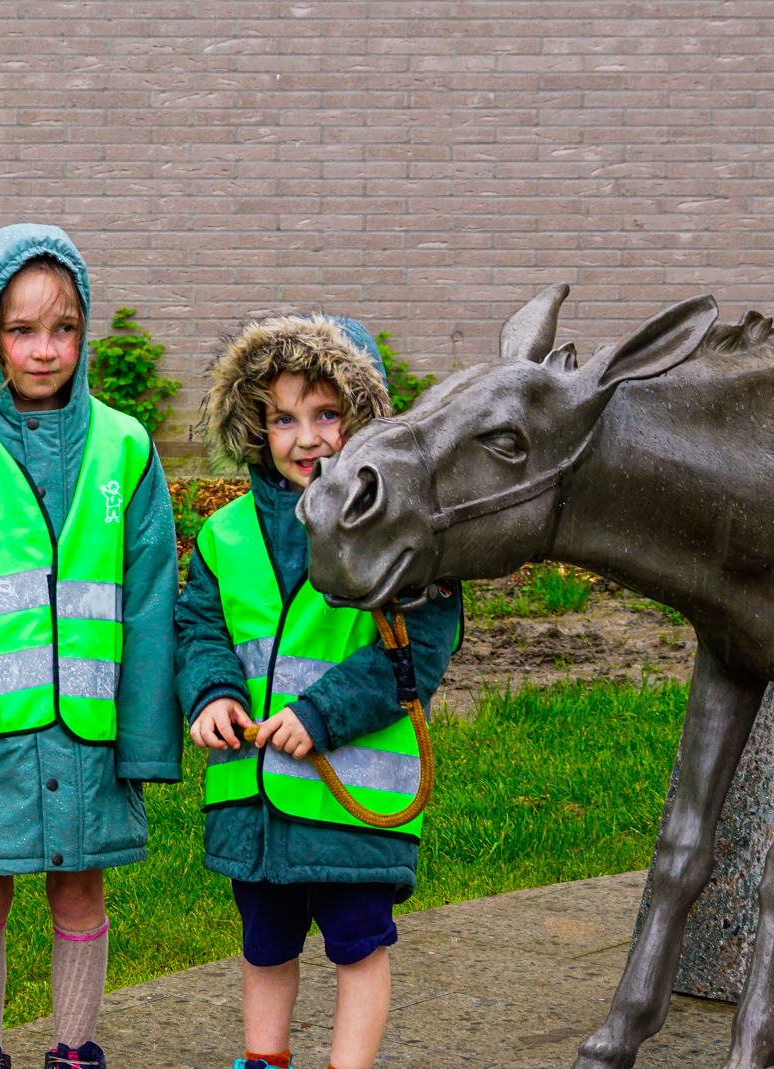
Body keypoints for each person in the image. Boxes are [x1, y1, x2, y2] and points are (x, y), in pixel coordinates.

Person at [0, 224, 181, 1069]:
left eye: (64, 329)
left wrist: (145, 740)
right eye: (20, 330)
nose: (44, 350)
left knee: (80, 889)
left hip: (88, 739)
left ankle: (74, 1048)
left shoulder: (126, 447)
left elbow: (150, 601)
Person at [176, 315, 463, 1069]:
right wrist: (211, 693)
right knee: (263, 944)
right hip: (254, 796)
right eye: (283, 419)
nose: (306, 438)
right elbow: (200, 626)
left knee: (358, 944)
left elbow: (419, 649)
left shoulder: (404, 533)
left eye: (327, 414)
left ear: (364, 419)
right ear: (255, 424)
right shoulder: (225, 534)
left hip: (352, 797)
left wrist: (322, 713)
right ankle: (262, 1059)